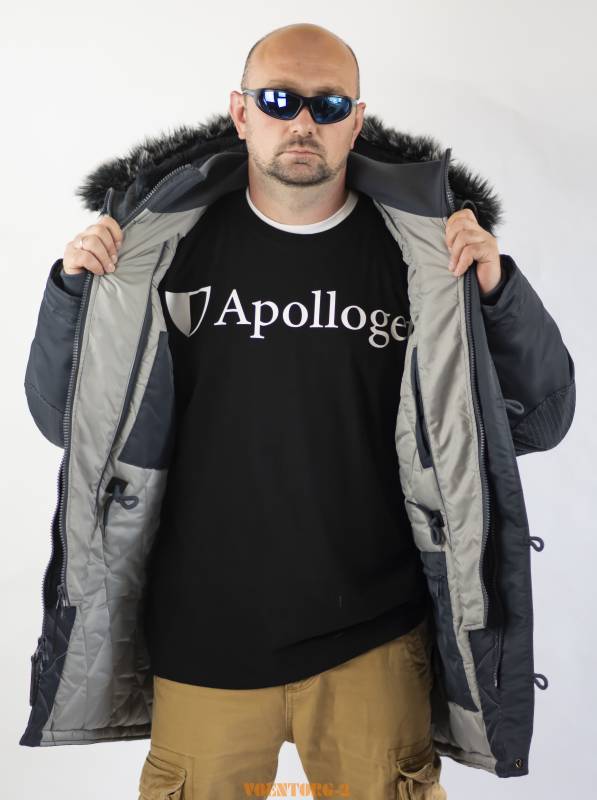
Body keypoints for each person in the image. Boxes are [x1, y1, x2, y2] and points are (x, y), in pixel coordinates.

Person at [31, 21, 568, 800]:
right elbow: (61, 421)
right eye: (279, 100)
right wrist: (72, 294)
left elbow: (539, 418)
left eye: (328, 104)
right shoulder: (157, 252)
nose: (303, 122)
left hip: (375, 638)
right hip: (203, 635)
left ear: (356, 119)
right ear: (240, 111)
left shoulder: (426, 256)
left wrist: (496, 292)